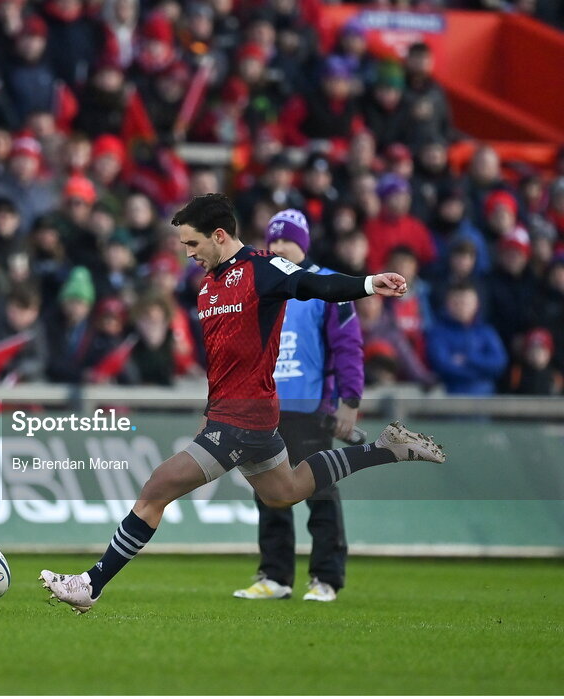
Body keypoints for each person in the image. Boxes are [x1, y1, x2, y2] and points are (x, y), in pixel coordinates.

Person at [41, 194, 445, 613]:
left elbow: (317, 285)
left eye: (193, 244)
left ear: (219, 235)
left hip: (245, 416)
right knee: (283, 492)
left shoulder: (264, 268)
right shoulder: (207, 288)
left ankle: (91, 583)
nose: (189, 254)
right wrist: (207, 414)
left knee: (155, 491)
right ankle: (387, 449)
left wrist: (367, 282)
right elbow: (221, 364)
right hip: (235, 414)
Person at [231, 210, 363, 604]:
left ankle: (326, 577)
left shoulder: (326, 287)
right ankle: (275, 576)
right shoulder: (262, 285)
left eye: (285, 240)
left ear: (302, 244)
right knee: (269, 494)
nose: (277, 247)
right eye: (272, 241)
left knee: (319, 491)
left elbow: (347, 347)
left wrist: (349, 401)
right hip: (263, 408)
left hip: (310, 409)